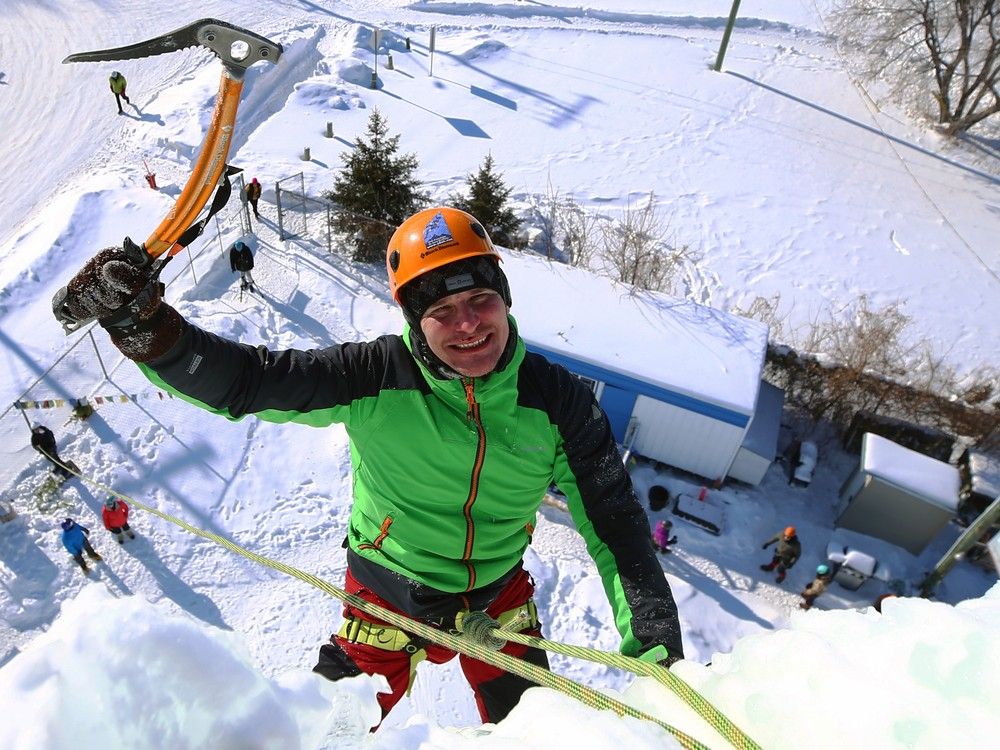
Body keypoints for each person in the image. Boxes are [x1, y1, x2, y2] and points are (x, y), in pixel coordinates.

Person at [52, 205, 685, 728]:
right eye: (441, 312)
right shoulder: (374, 376)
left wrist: (659, 652)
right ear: (414, 319)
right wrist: (148, 328)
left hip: (496, 595)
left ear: (505, 300)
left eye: (482, 300)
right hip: (387, 591)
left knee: (532, 733)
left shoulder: (557, 399)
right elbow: (248, 382)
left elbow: (615, 525)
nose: (467, 326)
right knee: (326, 731)